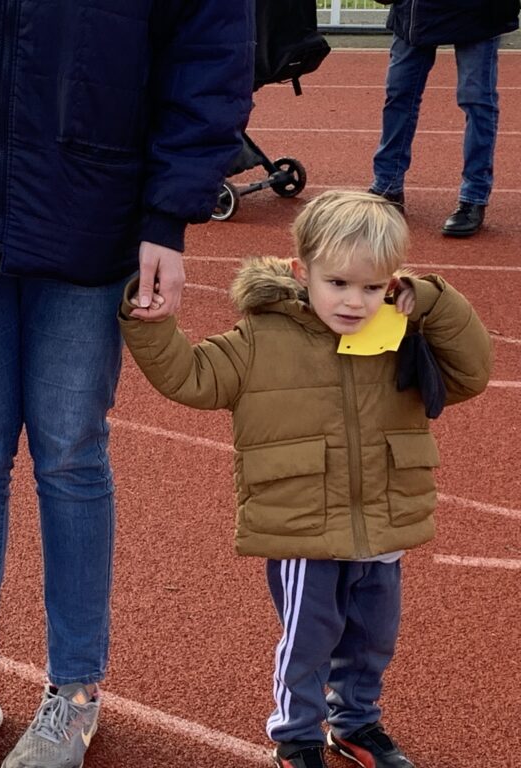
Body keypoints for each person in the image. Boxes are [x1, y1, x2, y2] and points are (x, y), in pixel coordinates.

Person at [0, 3, 254, 767]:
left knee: (71, 456)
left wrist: (168, 215)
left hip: (94, 213)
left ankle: (76, 692)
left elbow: (211, 45)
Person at [120, 190, 491, 768]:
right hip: (305, 528)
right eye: (337, 283)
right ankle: (296, 734)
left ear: (393, 282)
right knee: (309, 641)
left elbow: (472, 373)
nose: (354, 301)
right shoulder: (261, 338)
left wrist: (434, 303)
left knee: (372, 639)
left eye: (372, 286)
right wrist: (152, 325)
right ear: (301, 273)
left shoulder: (401, 330)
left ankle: (356, 723)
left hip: (382, 523)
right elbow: (191, 376)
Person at [369, 0, 520, 237]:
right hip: (415, 13)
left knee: (476, 101)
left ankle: (473, 197)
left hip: (478, 13)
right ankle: (387, 186)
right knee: (399, 95)